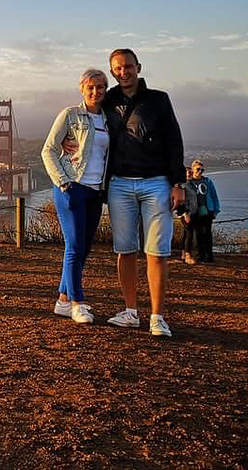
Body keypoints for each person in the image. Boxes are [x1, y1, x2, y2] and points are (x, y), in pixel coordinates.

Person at [103, 49, 185, 338]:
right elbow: (88, 126)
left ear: (138, 67)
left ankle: (157, 317)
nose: (123, 72)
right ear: (112, 71)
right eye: (117, 68)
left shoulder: (159, 99)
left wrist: (178, 183)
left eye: (127, 66)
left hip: (156, 183)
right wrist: (66, 143)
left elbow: (175, 141)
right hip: (120, 184)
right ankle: (130, 312)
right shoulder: (107, 99)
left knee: (157, 252)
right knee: (125, 251)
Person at [41, 69, 110, 324]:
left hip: (95, 191)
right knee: (74, 246)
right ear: (82, 88)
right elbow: (48, 149)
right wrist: (63, 183)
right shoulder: (70, 115)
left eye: (101, 87)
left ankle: (62, 300)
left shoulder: (109, 118)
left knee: (84, 249)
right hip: (73, 187)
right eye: (90, 87)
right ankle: (78, 303)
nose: (96, 92)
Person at [186, 159, 220, 263]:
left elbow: (214, 196)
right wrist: (186, 212)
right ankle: (199, 256)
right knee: (197, 235)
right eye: (198, 169)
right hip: (194, 212)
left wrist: (216, 210)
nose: (200, 171)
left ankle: (209, 256)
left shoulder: (207, 181)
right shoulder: (188, 183)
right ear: (193, 169)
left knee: (207, 234)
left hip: (207, 211)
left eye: (202, 170)